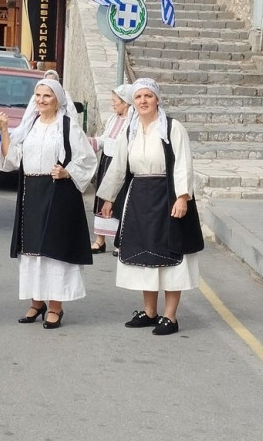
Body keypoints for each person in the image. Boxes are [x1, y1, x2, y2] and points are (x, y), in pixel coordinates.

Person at [97, 78, 204, 336]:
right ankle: (150, 312)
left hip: (168, 196)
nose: (143, 101)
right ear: (133, 102)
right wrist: (109, 198)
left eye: (148, 96)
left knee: (170, 256)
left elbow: (182, 164)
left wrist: (182, 197)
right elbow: (120, 166)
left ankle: (170, 316)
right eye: (138, 97)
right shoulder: (130, 130)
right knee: (145, 254)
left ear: (157, 99)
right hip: (139, 198)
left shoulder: (172, 128)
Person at [0, 79, 97, 329]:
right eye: (38, 95)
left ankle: (55, 307)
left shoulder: (67, 125)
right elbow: (13, 159)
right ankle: (36, 302)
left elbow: (87, 159)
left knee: (54, 251)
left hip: (58, 193)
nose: (41, 100)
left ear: (58, 99)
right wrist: (5, 131)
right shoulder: (29, 125)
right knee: (32, 251)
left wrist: (67, 172)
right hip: (31, 192)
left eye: (47, 96)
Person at [89, 84, 133, 254]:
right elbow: (105, 140)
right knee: (102, 200)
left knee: (119, 202)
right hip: (106, 162)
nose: (112, 104)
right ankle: (100, 241)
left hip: (121, 165)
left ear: (126, 103)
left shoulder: (132, 123)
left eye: (115, 101)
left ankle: (119, 242)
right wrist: (89, 142)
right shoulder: (113, 119)